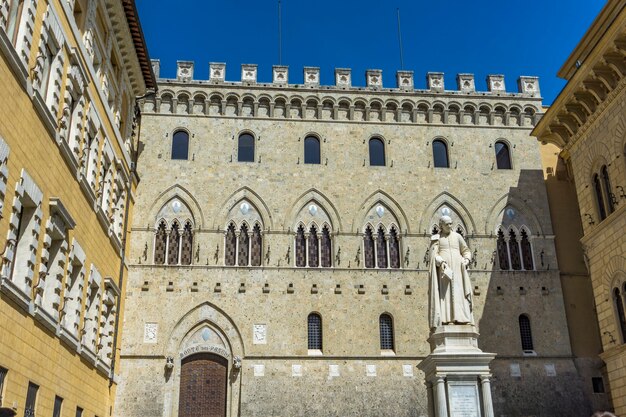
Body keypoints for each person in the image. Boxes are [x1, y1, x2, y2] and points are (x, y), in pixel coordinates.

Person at [429, 215, 474, 329]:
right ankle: (447, 319)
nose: (449, 226)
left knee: (459, 293)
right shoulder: (437, 238)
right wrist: (440, 261)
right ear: (441, 226)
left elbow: (466, 250)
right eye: (447, 224)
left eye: (450, 223)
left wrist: (467, 259)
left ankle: (463, 319)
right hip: (444, 272)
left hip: (458, 270)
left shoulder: (457, 236)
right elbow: (434, 254)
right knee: (446, 295)